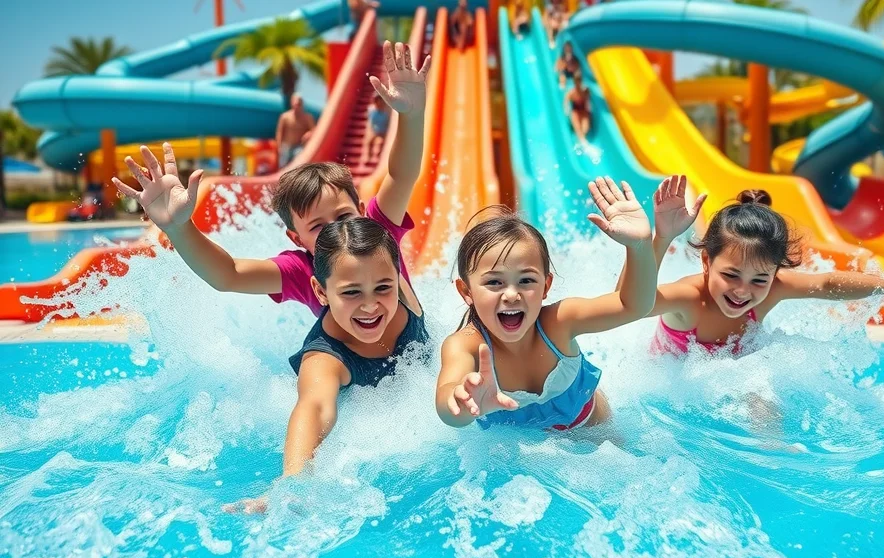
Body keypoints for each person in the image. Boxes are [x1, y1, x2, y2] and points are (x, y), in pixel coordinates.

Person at [112, 42, 432, 318]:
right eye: (318, 227)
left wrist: (412, 116)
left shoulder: (380, 231)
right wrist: (178, 229)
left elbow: (401, 174)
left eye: (344, 216)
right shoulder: (302, 270)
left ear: (362, 210)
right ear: (296, 240)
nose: (337, 229)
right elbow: (229, 275)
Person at [228, 216, 429, 514]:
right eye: (351, 292)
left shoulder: (400, 291)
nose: (371, 305)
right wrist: (293, 485)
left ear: (398, 277)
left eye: (383, 288)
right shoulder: (325, 359)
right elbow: (313, 407)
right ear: (321, 292)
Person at [624, 181, 884, 355]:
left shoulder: (773, 289)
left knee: (762, 389)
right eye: (730, 275)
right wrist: (659, 238)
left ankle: (772, 449)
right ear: (706, 261)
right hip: (672, 384)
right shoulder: (689, 298)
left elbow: (827, 285)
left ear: (774, 274)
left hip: (731, 377)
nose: (743, 290)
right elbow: (628, 304)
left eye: (760, 278)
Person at [435, 175, 661, 431]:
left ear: (546, 286)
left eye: (526, 280)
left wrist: (640, 245)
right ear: (466, 291)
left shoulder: (559, 322)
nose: (511, 294)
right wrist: (462, 404)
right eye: (494, 283)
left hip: (593, 432)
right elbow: (447, 395)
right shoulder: (465, 346)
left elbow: (632, 306)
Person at [277, 93, 317, 169]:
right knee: (283, 167)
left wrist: (309, 133)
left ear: (302, 105)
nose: (297, 106)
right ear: (292, 103)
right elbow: (280, 132)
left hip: (299, 147)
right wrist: (279, 146)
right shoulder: (285, 117)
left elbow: (314, 130)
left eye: (299, 104)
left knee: (298, 165)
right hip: (286, 146)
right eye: (296, 104)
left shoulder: (307, 117)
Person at [564, 70, 592, 145]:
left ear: (581, 81)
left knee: (585, 129)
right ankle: (582, 141)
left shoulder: (586, 90)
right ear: (574, 82)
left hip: (584, 111)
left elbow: (588, 100)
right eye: (576, 81)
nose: (578, 83)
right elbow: (566, 100)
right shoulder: (572, 92)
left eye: (579, 81)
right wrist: (566, 109)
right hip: (575, 111)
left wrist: (589, 108)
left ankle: (582, 139)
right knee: (577, 126)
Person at [362, 94, 390, 166]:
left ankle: (378, 155)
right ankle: (368, 156)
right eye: (377, 102)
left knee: (380, 141)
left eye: (381, 102)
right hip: (375, 131)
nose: (379, 104)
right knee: (369, 141)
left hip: (383, 131)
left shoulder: (385, 112)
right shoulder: (373, 111)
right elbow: (370, 121)